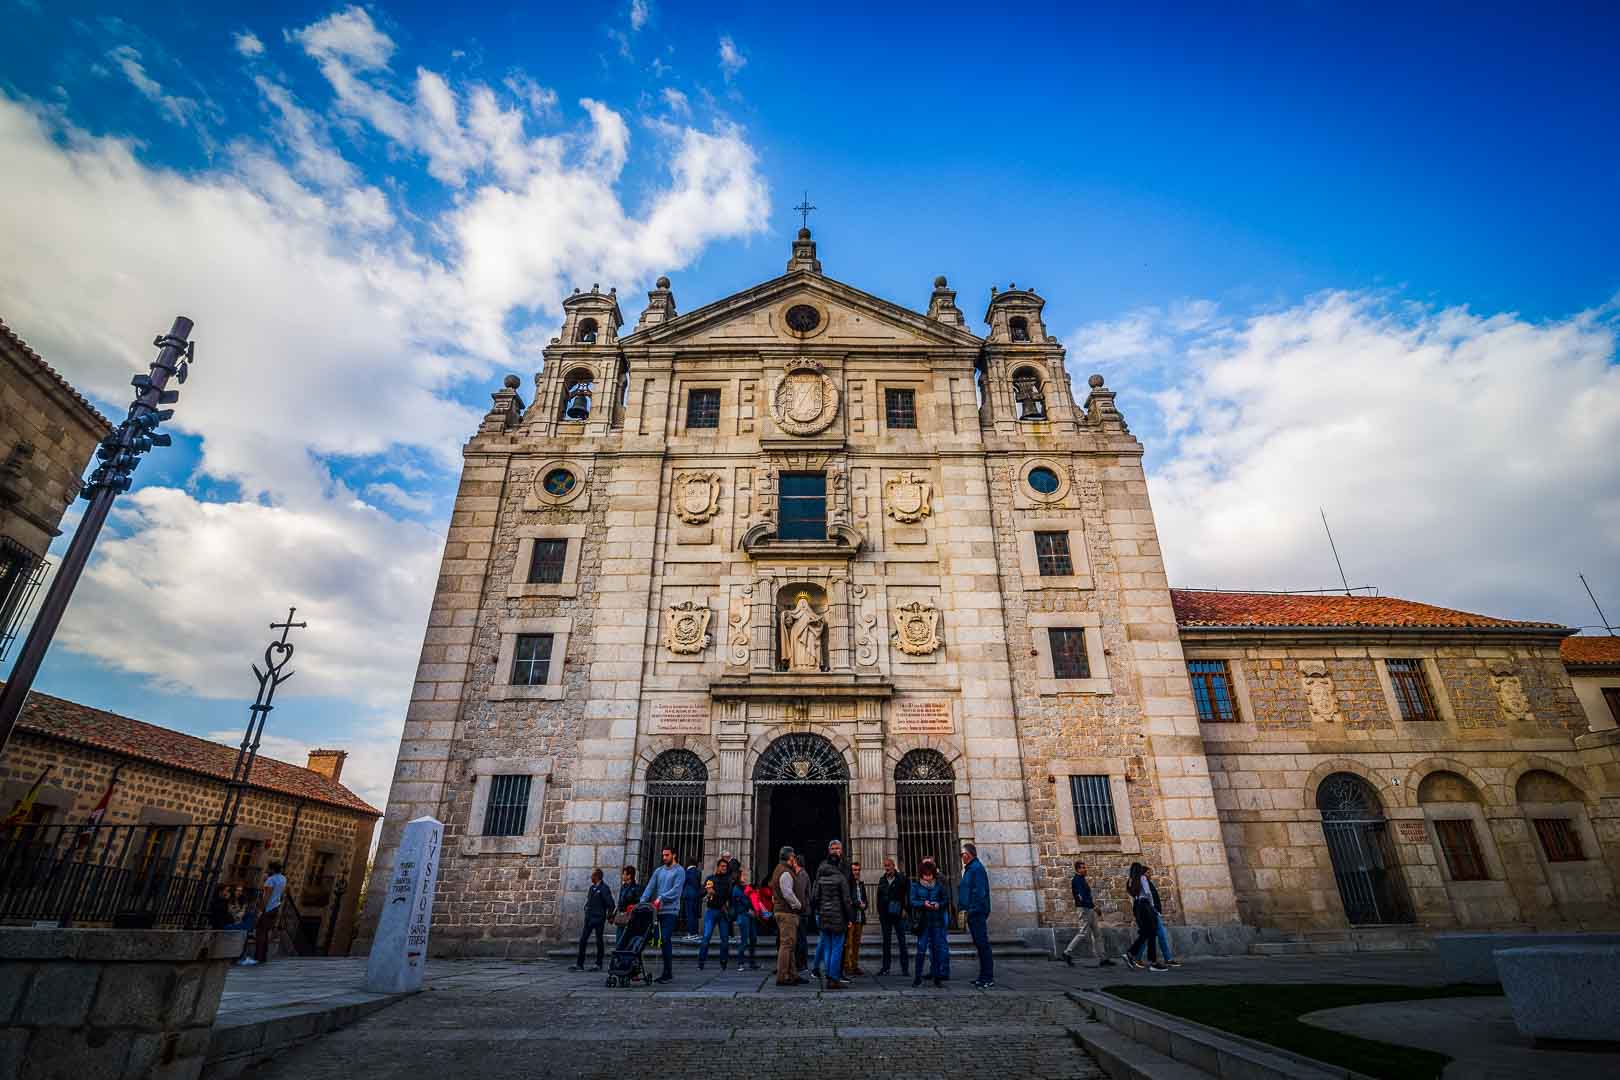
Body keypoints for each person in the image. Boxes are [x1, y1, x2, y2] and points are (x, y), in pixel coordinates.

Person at [640, 847, 687, 983]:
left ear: (674, 855)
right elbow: (650, 887)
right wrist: (642, 901)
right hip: (656, 911)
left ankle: (668, 972)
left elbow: (676, 891)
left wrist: (661, 897)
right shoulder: (659, 871)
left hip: (670, 911)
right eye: (663, 855)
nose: (664, 857)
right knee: (646, 938)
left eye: (667, 855)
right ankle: (635, 968)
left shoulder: (679, 871)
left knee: (665, 939)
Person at [813, 839, 853, 988]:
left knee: (828, 946)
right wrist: (850, 917)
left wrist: (818, 910)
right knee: (837, 946)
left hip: (824, 914)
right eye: (833, 848)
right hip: (838, 916)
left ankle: (829, 975)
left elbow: (815, 895)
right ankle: (833, 977)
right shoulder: (841, 876)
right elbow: (847, 899)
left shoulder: (821, 873)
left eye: (838, 848)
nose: (836, 851)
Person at [1063, 859, 1112, 968]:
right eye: (1083, 867)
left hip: (1089, 909)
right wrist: (1094, 907)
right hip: (1084, 909)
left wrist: (1093, 907)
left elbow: (1086, 896)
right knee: (1083, 932)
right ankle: (1067, 953)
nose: (1086, 869)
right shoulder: (1077, 880)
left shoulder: (1081, 879)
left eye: (1085, 867)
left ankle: (1103, 958)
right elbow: (1082, 897)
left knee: (1097, 933)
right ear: (1078, 869)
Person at [909, 858, 950, 987]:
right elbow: (912, 902)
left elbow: (945, 900)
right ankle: (917, 977)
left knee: (937, 949)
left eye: (930, 876)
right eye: (925, 876)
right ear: (921, 874)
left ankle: (937, 977)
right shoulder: (915, 886)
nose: (928, 878)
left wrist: (939, 904)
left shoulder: (938, 885)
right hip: (923, 922)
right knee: (921, 949)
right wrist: (923, 904)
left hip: (936, 921)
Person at [958, 843, 993, 989]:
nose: (961, 857)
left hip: (976, 913)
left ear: (968, 854)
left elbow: (980, 893)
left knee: (982, 945)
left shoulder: (976, 869)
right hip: (973, 912)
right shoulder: (971, 868)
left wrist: (971, 910)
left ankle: (987, 977)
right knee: (980, 945)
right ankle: (983, 976)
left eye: (962, 854)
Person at [770, 846, 805, 986]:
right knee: (786, 945)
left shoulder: (779, 869)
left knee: (789, 944)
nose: (794, 859)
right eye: (793, 856)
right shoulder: (785, 872)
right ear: (790, 857)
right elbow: (788, 893)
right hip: (787, 913)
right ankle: (783, 975)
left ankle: (792, 973)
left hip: (783, 912)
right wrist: (799, 905)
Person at [1123, 862, 1167, 971]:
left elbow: (1132, 896)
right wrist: (1153, 908)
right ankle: (1152, 962)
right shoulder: (1142, 878)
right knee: (1151, 932)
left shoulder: (1130, 881)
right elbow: (1148, 893)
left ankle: (1131, 953)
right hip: (1145, 906)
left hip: (1138, 907)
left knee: (1146, 933)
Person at [570, 868, 615, 971]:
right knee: (583, 940)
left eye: (592, 876)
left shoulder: (604, 888)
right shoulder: (591, 888)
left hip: (599, 918)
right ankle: (579, 964)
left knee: (599, 941)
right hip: (589, 918)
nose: (591, 877)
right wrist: (586, 907)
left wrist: (610, 915)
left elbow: (610, 903)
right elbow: (589, 900)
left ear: (597, 877)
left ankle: (598, 964)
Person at [698, 856, 734, 971]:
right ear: (717, 867)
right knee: (706, 937)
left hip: (723, 912)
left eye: (726, 866)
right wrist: (707, 892)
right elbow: (702, 892)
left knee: (724, 939)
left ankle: (723, 962)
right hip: (711, 911)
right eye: (722, 866)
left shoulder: (728, 880)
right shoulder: (710, 878)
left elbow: (727, 895)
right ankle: (701, 961)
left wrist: (715, 893)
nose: (724, 868)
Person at [876, 856, 910, 977]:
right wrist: (880, 913)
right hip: (885, 916)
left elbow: (908, 895)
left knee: (902, 941)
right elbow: (878, 897)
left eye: (888, 866)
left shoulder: (902, 878)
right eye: (885, 866)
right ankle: (885, 968)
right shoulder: (882, 880)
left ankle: (905, 969)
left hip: (898, 914)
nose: (887, 868)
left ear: (893, 866)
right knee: (886, 942)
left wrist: (905, 909)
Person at [252, 860, 287, 966]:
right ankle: (263, 956)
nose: (267, 869)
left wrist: (260, 910)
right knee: (266, 932)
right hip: (276, 907)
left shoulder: (270, 880)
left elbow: (266, 896)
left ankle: (258, 957)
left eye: (268, 868)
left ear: (272, 869)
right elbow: (282, 894)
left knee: (260, 932)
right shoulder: (283, 878)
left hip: (268, 908)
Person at [1145, 866, 1182, 968]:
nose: (1150, 874)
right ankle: (1134, 957)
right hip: (1150, 914)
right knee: (1147, 937)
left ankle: (1168, 958)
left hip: (1155, 914)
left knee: (1160, 935)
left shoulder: (1149, 884)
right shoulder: (1144, 886)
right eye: (1148, 872)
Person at [732, 864, 762, 971]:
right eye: (743, 875)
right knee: (744, 940)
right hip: (743, 915)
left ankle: (752, 962)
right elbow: (742, 903)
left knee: (753, 939)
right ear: (738, 877)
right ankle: (741, 963)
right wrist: (750, 909)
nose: (745, 876)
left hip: (751, 916)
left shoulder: (746, 887)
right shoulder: (736, 889)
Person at [844, 858, 868, 976]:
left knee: (856, 944)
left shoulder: (861, 884)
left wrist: (864, 905)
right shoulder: (848, 884)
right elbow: (848, 900)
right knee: (848, 944)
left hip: (859, 918)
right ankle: (847, 966)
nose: (856, 872)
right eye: (854, 870)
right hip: (851, 918)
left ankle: (855, 965)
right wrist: (859, 904)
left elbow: (866, 901)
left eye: (858, 870)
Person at [791, 852, 812, 972]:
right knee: (799, 938)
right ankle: (799, 962)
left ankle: (802, 963)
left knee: (802, 938)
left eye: (793, 861)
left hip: (802, 911)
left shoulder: (802, 875)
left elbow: (801, 893)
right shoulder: (798, 874)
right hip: (800, 910)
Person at [614, 865, 640, 946]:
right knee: (618, 939)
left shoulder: (636, 888)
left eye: (624, 874)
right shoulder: (623, 887)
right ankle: (618, 957)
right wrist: (615, 913)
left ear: (629, 876)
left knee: (626, 940)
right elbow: (620, 902)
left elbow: (638, 903)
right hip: (621, 917)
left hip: (630, 918)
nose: (622, 876)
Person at [680, 862, 702, 941]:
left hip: (689, 895)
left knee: (690, 915)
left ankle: (691, 933)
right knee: (694, 915)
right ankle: (695, 933)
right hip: (696, 895)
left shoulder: (687, 872)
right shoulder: (698, 872)